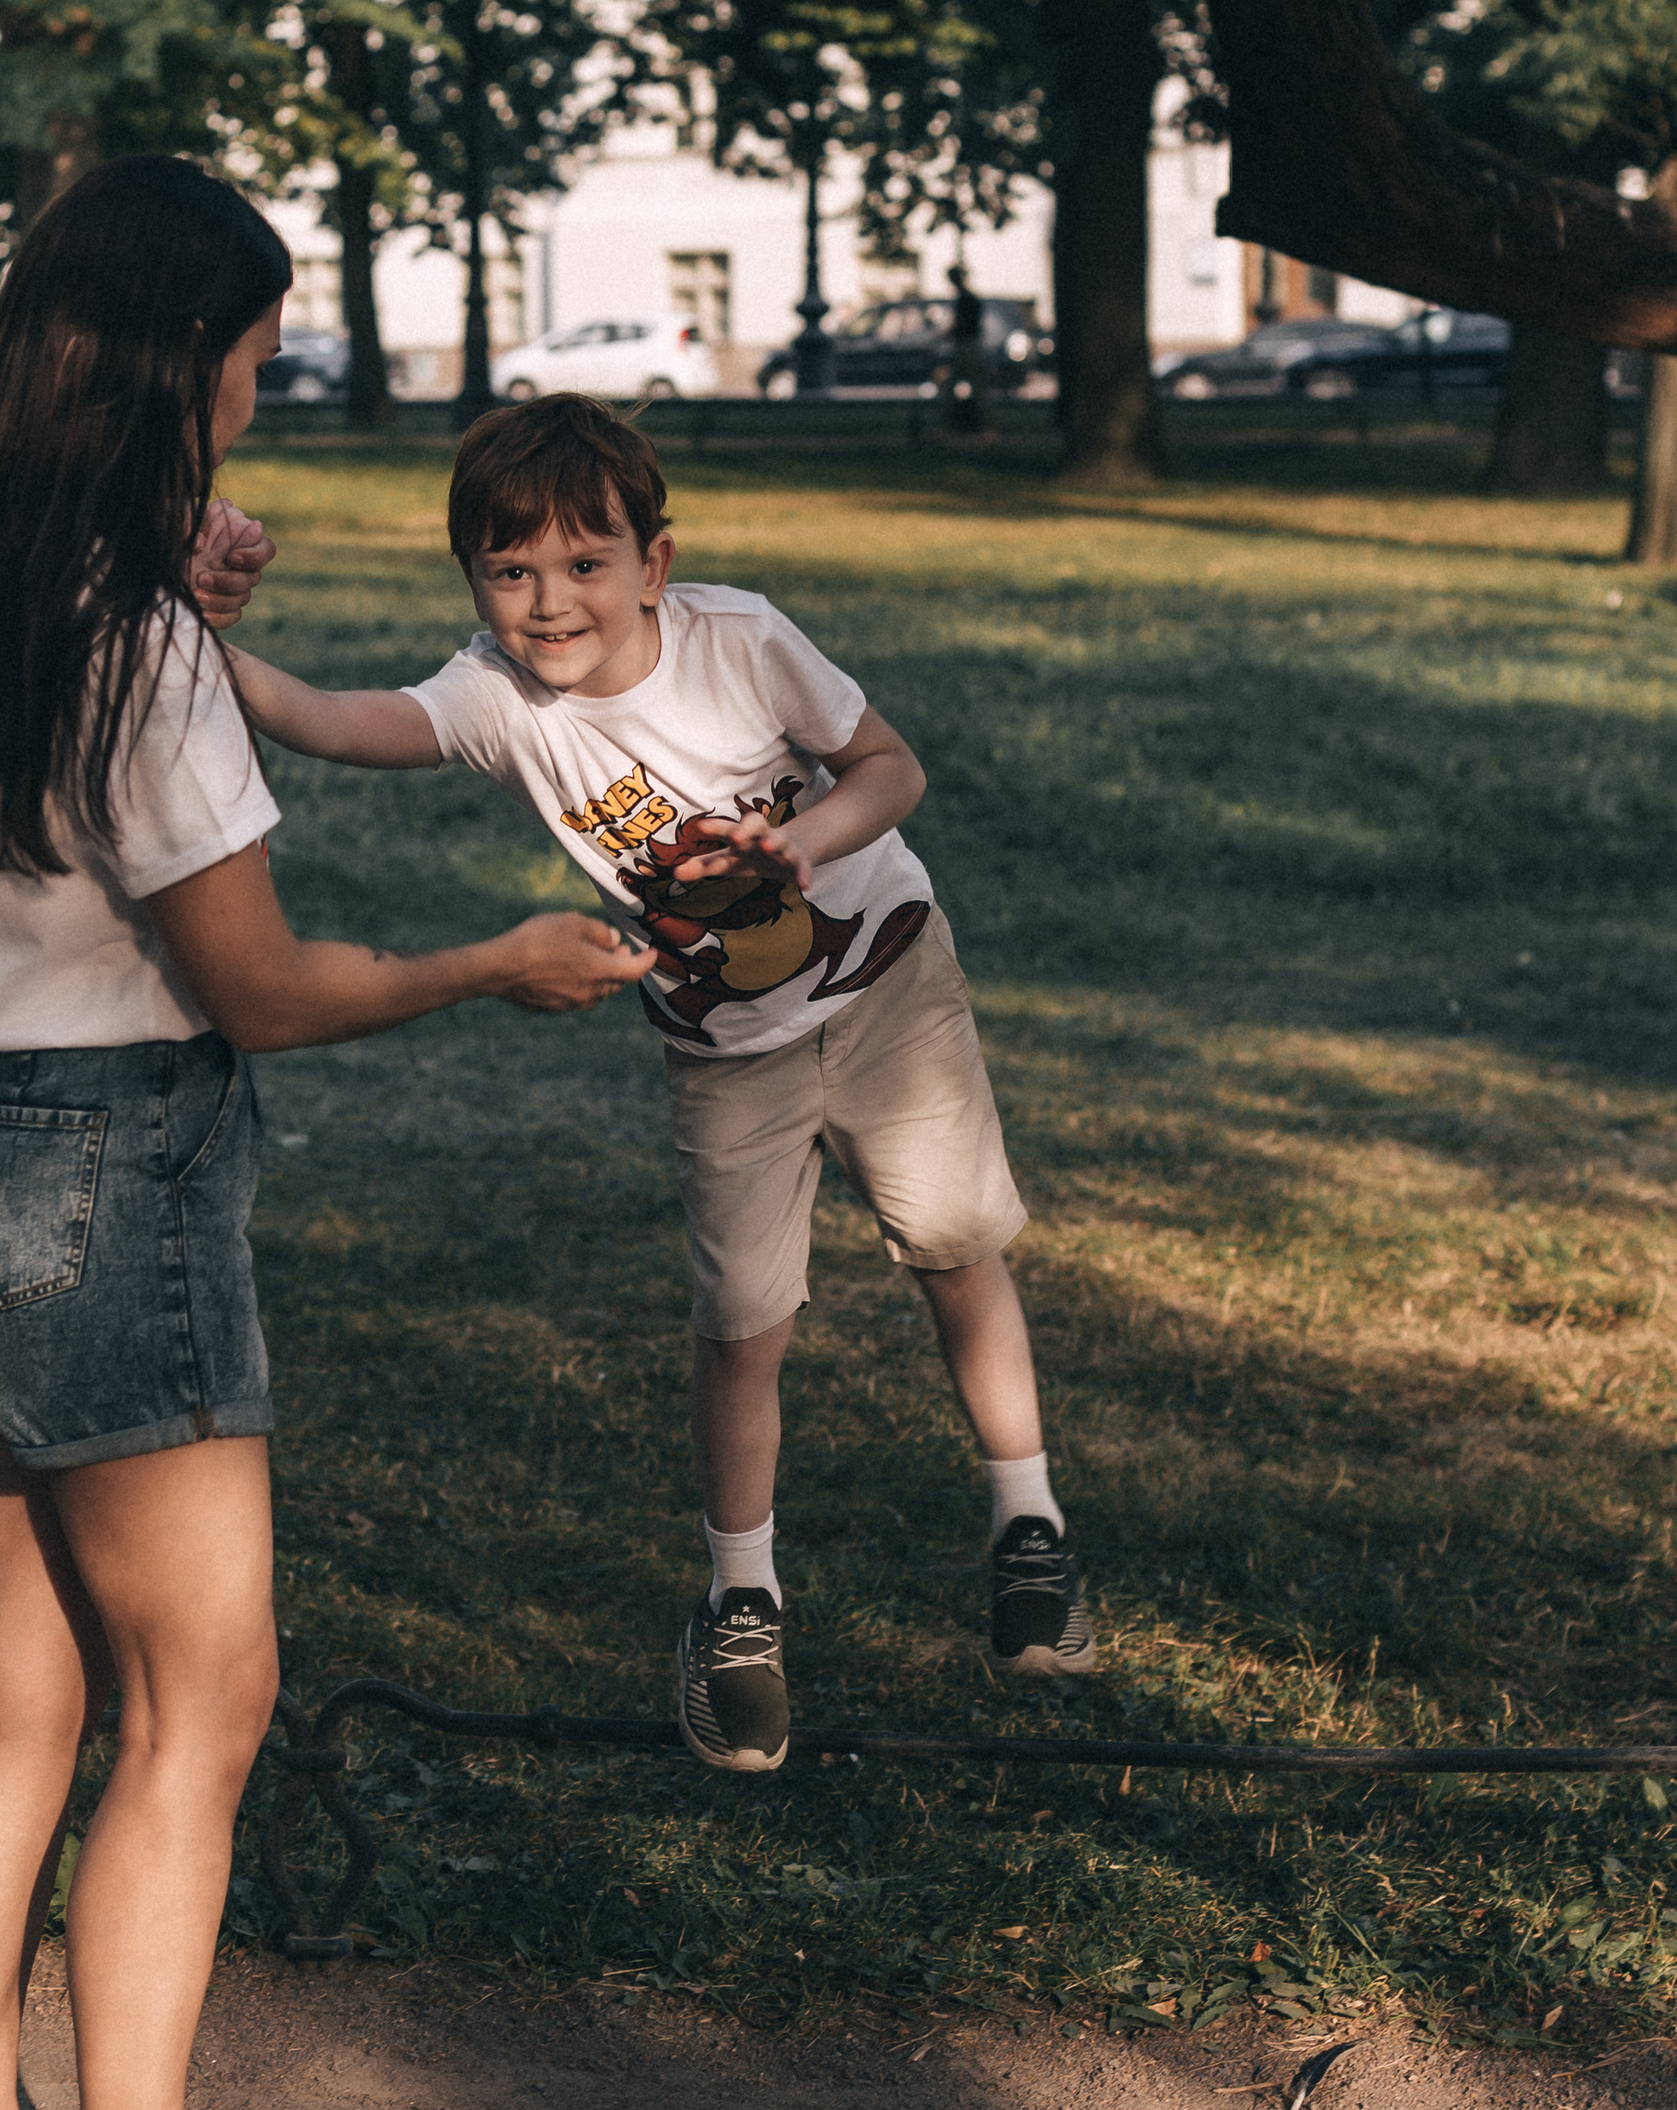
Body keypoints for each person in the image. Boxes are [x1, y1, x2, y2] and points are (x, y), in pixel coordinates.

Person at [0, 163, 647, 2110]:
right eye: (250, 357)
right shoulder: (137, 654)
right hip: (119, 1165)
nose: (258, 390)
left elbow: (92, 720)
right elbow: (265, 990)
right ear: (173, 361)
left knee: (28, 1690)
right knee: (202, 1705)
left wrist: (181, 588)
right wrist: (493, 962)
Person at [228, 392, 1095, 1777]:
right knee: (744, 1321)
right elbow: (333, 722)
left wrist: (808, 840)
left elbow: (892, 768)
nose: (550, 601)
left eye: (586, 562)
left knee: (955, 1244)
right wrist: (199, 643)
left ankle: (1029, 1524)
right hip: (727, 1054)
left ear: (654, 563)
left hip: (887, 984)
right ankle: (741, 1602)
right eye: (510, 570)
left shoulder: (738, 640)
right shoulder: (497, 698)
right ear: (470, 582)